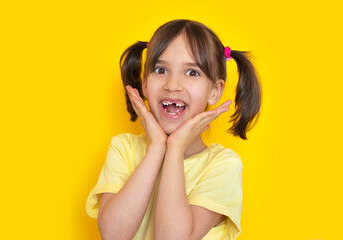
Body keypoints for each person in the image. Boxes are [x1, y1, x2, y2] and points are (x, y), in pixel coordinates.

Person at [86, 19, 262, 240]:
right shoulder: (124, 148)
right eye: (160, 70)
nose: (172, 84)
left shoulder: (222, 165)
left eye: (192, 73)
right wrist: (157, 148)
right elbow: (113, 235)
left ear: (215, 91)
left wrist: (175, 148)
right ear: (144, 84)